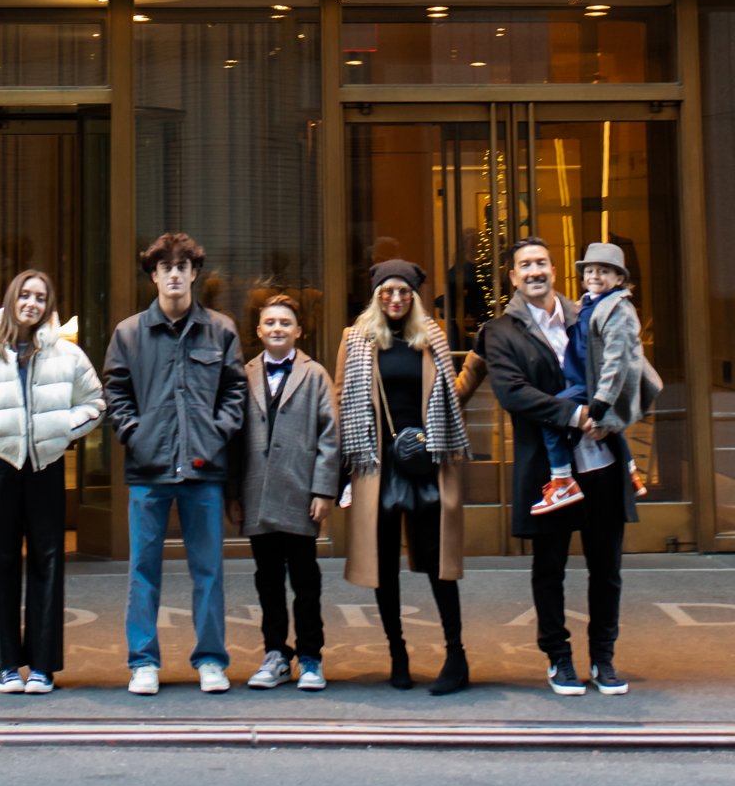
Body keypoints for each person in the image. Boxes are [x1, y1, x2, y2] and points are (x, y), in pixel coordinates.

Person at [462, 237, 640, 697]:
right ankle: (558, 658)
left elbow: (629, 370)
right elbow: (513, 392)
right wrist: (577, 416)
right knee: (550, 567)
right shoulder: (500, 331)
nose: (534, 270)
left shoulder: (591, 313)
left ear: (555, 270)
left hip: (600, 461)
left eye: (541, 262)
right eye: (525, 265)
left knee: (607, 568)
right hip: (549, 470)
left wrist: (613, 417)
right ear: (513, 277)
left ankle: (603, 658)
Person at [0, 268, 103, 695]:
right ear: (12, 299)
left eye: (40, 297)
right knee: (3, 562)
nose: (32, 303)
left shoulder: (67, 355)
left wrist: (61, 429)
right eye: (25, 295)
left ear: (49, 306)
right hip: (2, 466)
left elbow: (95, 402)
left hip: (47, 466)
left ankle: (44, 666)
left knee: (49, 561)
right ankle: (8, 664)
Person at [103, 229, 248, 697]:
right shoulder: (129, 333)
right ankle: (142, 661)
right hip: (149, 470)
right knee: (143, 570)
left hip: (204, 468)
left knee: (208, 570)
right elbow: (116, 393)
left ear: (194, 274)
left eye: (182, 267)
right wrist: (134, 435)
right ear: (154, 275)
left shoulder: (221, 330)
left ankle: (210, 660)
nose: (174, 276)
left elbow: (236, 393)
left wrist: (215, 434)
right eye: (165, 268)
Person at [335, 257, 473, 696]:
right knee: (384, 566)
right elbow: (342, 402)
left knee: (439, 565)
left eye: (403, 292)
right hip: (378, 465)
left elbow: (451, 395)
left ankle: (456, 655)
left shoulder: (429, 338)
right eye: (387, 292)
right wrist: (341, 473)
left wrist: (479, 365)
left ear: (413, 297)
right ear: (376, 296)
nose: (395, 299)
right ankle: (398, 653)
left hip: (428, 462)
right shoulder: (356, 340)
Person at [226, 291, 339, 691]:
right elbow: (234, 438)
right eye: (270, 323)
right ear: (258, 330)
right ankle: (275, 652)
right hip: (257, 494)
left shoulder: (315, 374)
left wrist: (323, 490)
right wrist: (233, 494)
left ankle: (310, 655)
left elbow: (330, 435)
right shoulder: (244, 373)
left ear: (299, 331)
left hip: (299, 493)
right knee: (267, 579)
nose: (277, 328)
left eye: (285, 323)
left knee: (306, 579)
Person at [530, 244, 650, 517]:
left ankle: (562, 481)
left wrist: (601, 401)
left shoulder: (618, 310)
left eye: (604, 271)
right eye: (590, 270)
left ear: (619, 279)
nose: (595, 276)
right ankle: (630, 472)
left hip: (592, 385)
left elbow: (616, 362)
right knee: (610, 430)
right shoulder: (590, 303)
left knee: (551, 413)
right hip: (584, 380)